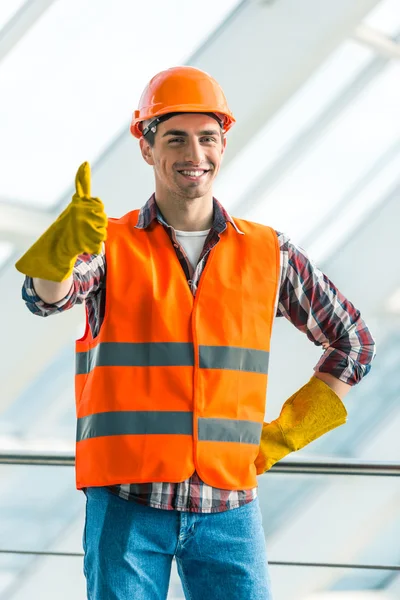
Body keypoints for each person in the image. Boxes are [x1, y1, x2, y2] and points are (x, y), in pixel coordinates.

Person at [16, 66, 376, 600]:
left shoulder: (268, 252)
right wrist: (58, 253)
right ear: (146, 147)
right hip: (127, 503)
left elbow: (353, 343)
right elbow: (49, 297)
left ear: (223, 145)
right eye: (175, 138)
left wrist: (286, 433)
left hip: (229, 509)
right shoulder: (109, 244)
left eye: (207, 138)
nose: (194, 153)